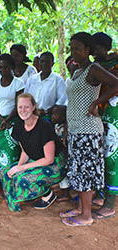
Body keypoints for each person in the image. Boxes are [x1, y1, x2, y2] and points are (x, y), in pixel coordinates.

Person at [60, 32, 118, 227]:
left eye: (77, 48)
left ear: (87, 50)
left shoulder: (93, 69)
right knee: (78, 171)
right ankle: (80, 209)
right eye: (71, 48)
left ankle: (86, 215)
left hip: (88, 130)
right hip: (76, 129)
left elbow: (116, 84)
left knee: (85, 174)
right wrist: (68, 127)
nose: (73, 52)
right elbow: (73, 102)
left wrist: (97, 103)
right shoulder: (77, 72)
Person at [0, 93, 66, 211]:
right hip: (36, 160)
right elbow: (25, 151)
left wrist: (21, 169)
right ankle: (17, 201)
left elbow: (49, 159)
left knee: (23, 178)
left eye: (27, 107)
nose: (23, 110)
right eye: (20, 107)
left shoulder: (44, 126)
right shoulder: (19, 125)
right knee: (5, 172)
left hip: (55, 164)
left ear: (34, 107)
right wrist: (19, 167)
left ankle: (47, 194)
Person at [91, 32, 118, 219]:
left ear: (105, 48)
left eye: (95, 48)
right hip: (100, 114)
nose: (92, 52)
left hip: (114, 115)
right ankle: (101, 195)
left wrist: (99, 101)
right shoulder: (97, 67)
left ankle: (110, 203)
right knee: (100, 154)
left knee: (112, 156)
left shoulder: (115, 65)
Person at [0, 53, 24, 189]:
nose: (3, 70)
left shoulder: (18, 83)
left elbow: (18, 105)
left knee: (13, 150)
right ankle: (0, 181)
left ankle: (13, 181)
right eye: (1, 67)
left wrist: (8, 120)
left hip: (13, 121)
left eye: (6, 67)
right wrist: (1, 120)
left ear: (12, 68)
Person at [25, 52, 67, 119]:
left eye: (47, 62)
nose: (44, 64)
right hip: (30, 116)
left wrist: (45, 112)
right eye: (42, 61)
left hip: (48, 117)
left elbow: (61, 101)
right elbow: (25, 97)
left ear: (52, 64)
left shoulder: (58, 80)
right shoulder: (32, 79)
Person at [51, 105, 70, 202]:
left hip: (64, 155)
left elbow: (63, 143)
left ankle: (66, 194)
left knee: (64, 174)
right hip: (59, 155)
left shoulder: (63, 129)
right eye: (52, 114)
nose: (52, 117)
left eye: (55, 115)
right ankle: (63, 190)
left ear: (63, 117)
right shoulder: (56, 126)